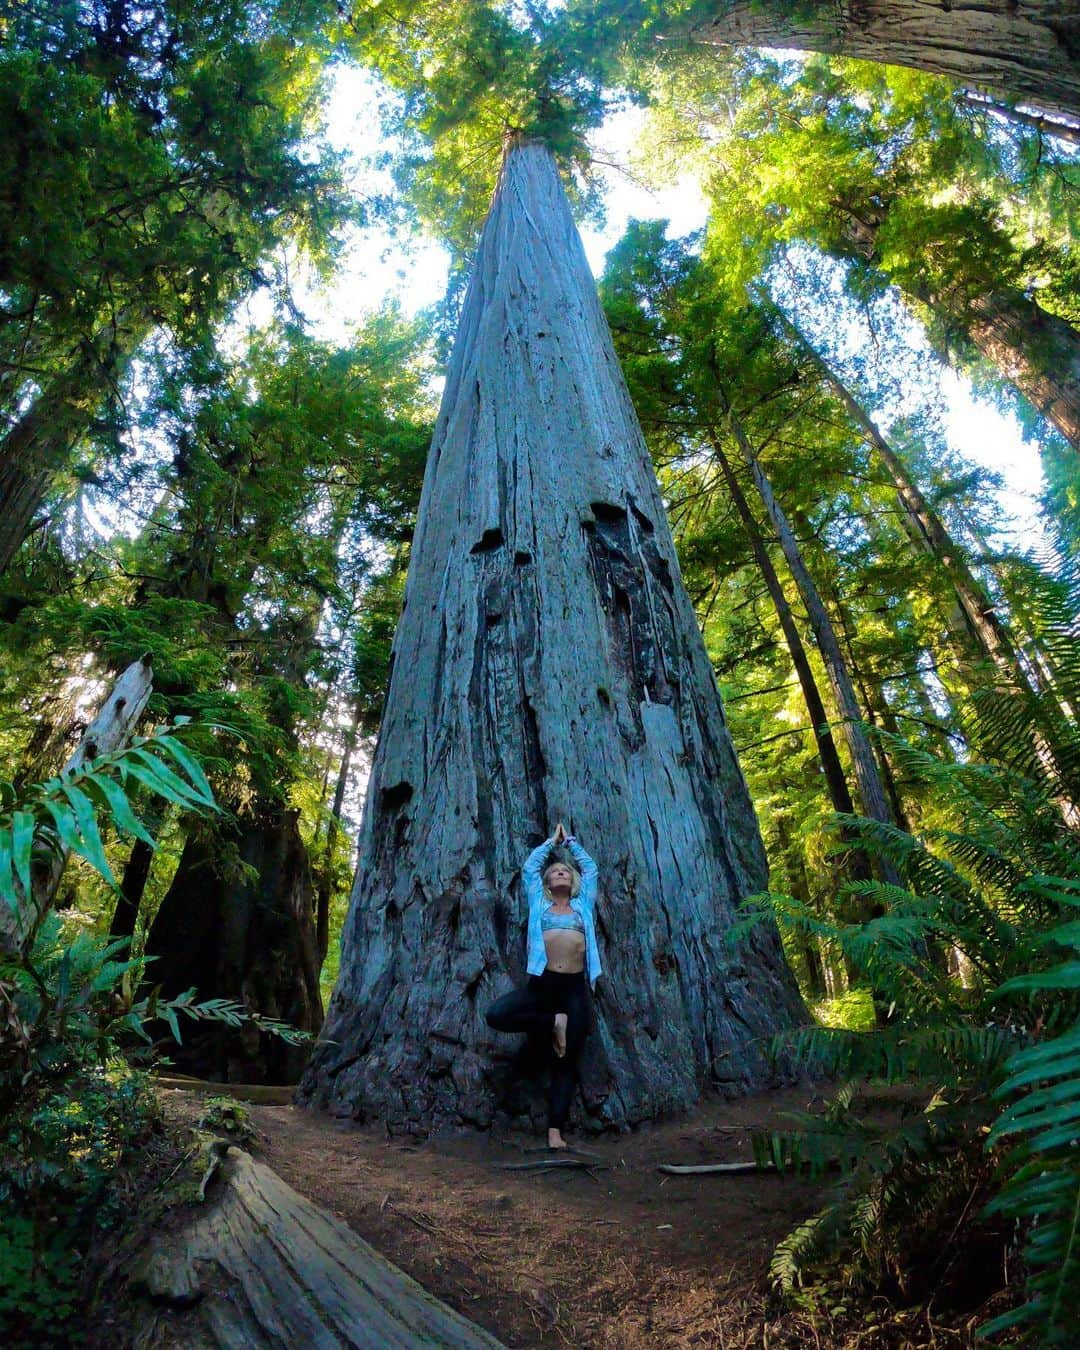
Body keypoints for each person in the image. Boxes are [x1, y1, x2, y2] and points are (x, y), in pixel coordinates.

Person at [485, 821, 600, 1150]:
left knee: (565, 1062)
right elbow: (529, 867)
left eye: (566, 871)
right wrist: (552, 843)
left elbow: (590, 869)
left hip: (574, 991)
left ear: (572, 881)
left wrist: (572, 844)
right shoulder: (538, 902)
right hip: (542, 986)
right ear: (547, 883)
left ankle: (554, 1132)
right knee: (497, 1015)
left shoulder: (583, 905)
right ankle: (552, 1023)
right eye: (556, 872)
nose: (561, 872)